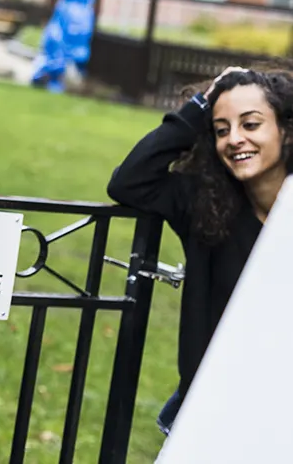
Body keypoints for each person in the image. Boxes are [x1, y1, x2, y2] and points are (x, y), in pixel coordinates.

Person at [107, 66, 291, 435]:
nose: (234, 139)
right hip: (213, 410)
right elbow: (130, 182)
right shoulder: (205, 205)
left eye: (251, 125)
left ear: (286, 130)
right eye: (221, 130)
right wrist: (197, 108)